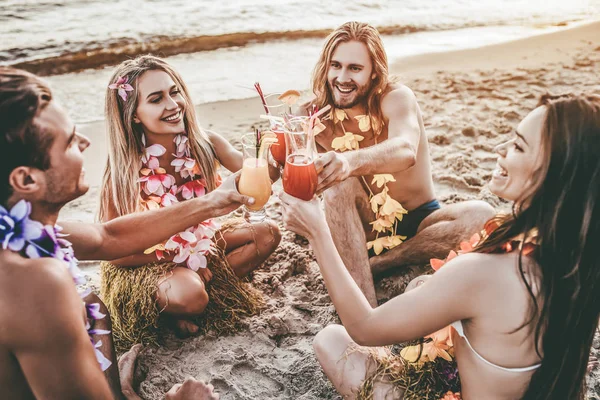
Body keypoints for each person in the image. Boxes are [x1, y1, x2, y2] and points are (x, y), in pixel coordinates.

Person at [281, 94, 600, 399]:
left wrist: (317, 232)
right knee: (421, 284)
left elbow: (364, 328)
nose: (500, 148)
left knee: (331, 341)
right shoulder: (577, 253)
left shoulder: (488, 273)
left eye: (517, 145)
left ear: (554, 173)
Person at [0, 67, 235, 398]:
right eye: (69, 141)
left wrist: (213, 203)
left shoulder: (20, 232)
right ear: (25, 180)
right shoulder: (36, 284)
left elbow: (107, 238)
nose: (85, 142)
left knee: (91, 303)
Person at [302, 21, 494, 306]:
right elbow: (281, 176)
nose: (342, 77)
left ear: (374, 71)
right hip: (359, 230)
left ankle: (381, 265)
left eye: (355, 68)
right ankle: (365, 310)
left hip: (421, 221)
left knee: (482, 214)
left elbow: (405, 149)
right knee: (338, 185)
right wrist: (283, 143)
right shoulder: (314, 117)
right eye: (336, 66)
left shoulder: (395, 98)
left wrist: (347, 160)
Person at [98, 55, 281, 347]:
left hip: (200, 244)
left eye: (175, 92)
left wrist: (277, 153)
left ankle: (202, 287)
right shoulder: (124, 171)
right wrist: (177, 257)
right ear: (134, 114)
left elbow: (256, 178)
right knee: (191, 296)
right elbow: (114, 253)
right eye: (156, 99)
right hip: (148, 261)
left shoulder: (206, 144)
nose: (173, 105)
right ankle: (186, 299)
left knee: (268, 232)